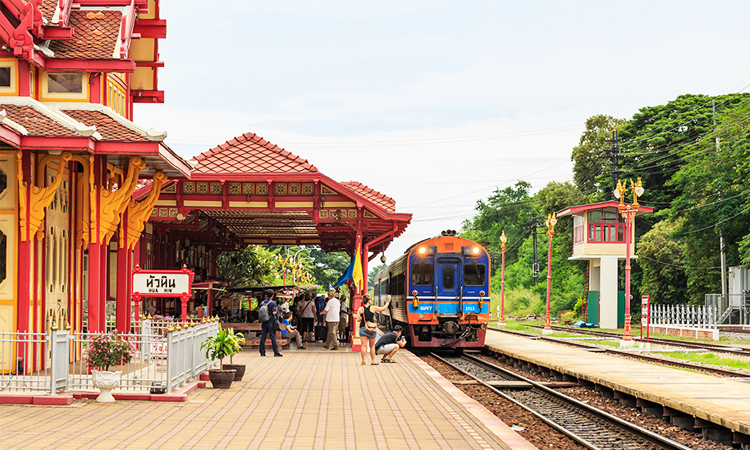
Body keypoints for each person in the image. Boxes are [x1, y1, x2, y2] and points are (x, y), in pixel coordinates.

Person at [357, 294, 391, 365]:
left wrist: (363, 319)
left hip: (363, 328)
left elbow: (357, 319)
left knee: (363, 345)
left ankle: (363, 361)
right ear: (369, 301)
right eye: (370, 300)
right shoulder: (373, 308)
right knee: (372, 346)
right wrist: (388, 300)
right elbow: (383, 308)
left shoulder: (360, 309)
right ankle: (372, 361)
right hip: (372, 329)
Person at [259, 289, 282, 357]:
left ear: (266, 295)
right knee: (273, 337)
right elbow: (274, 312)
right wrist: (276, 310)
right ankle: (276, 352)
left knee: (263, 336)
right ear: (272, 295)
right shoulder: (273, 303)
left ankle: (262, 352)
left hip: (264, 321)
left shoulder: (262, 303)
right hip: (271, 321)